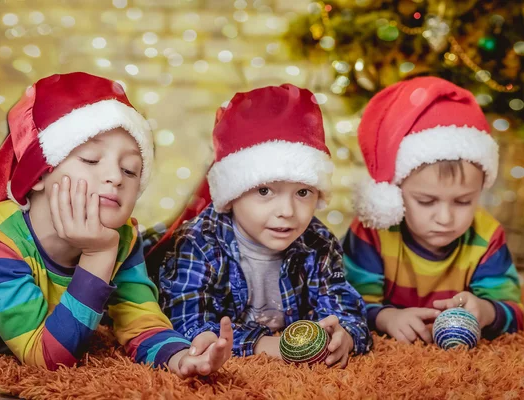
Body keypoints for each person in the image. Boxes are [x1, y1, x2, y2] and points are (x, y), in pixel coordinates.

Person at [0, 72, 232, 377]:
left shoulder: (122, 236)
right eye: (91, 160)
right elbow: (48, 360)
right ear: (39, 174)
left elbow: (141, 322)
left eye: (131, 170)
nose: (115, 177)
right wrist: (98, 255)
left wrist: (182, 356)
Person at [159, 84, 371, 367]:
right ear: (233, 194)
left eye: (303, 192)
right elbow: (184, 320)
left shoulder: (318, 241)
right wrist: (262, 343)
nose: (287, 211)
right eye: (264, 191)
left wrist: (346, 334)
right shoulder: (199, 241)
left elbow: (343, 304)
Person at [343, 76, 524, 344]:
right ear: (395, 192)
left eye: (463, 201)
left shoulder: (487, 235)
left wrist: (485, 311)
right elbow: (346, 301)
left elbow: (515, 312)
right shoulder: (373, 232)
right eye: (426, 201)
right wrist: (386, 317)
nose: (445, 218)